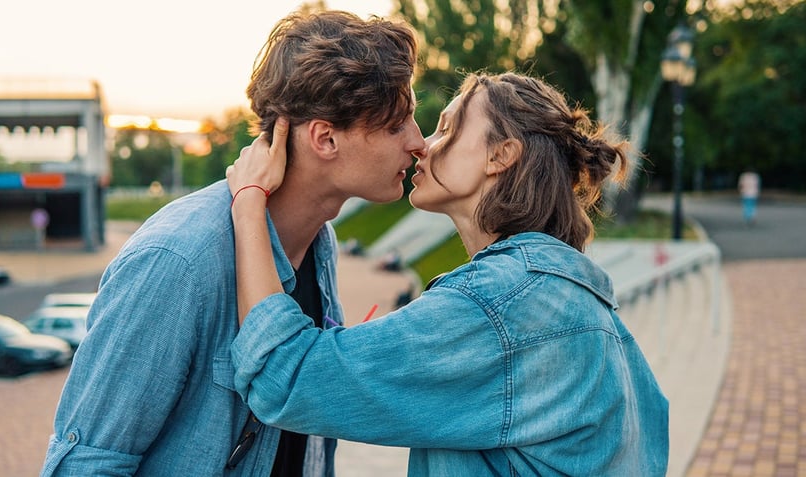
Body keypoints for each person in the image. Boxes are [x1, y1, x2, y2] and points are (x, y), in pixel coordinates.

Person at [226, 72, 670, 476]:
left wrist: (249, 201)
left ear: (500, 155)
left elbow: (284, 374)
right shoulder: (584, 304)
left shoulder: (496, 305)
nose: (423, 144)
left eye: (446, 128)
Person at [40, 10, 424, 476]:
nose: (418, 142)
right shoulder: (178, 260)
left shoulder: (320, 242)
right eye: (396, 125)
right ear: (325, 138)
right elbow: (86, 463)